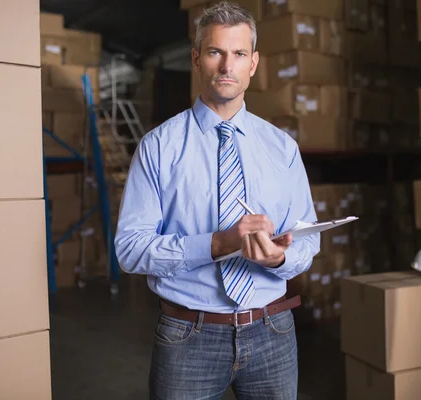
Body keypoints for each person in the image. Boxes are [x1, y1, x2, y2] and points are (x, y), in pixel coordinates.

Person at [114, 1, 320, 399]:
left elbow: (308, 238)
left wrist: (278, 258)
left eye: (239, 54)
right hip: (188, 335)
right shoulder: (158, 147)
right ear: (196, 59)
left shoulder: (283, 148)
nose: (228, 65)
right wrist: (218, 244)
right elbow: (129, 249)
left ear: (253, 63)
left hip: (273, 331)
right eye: (215, 52)